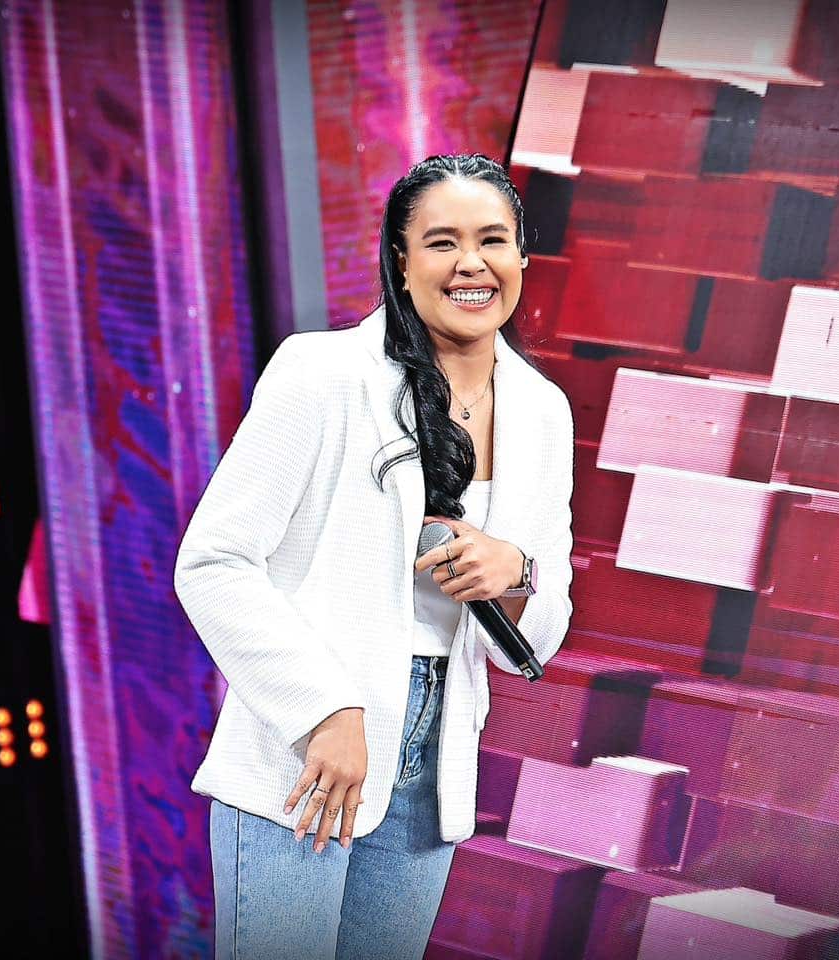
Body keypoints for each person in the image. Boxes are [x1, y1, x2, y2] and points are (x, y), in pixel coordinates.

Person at [174, 153, 575, 960]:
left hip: (434, 757)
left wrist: (516, 571)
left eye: (492, 240)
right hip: (309, 748)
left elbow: (541, 631)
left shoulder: (542, 410)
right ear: (401, 258)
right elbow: (213, 562)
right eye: (442, 242)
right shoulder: (323, 373)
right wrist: (324, 709)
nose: (471, 264)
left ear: (522, 256)